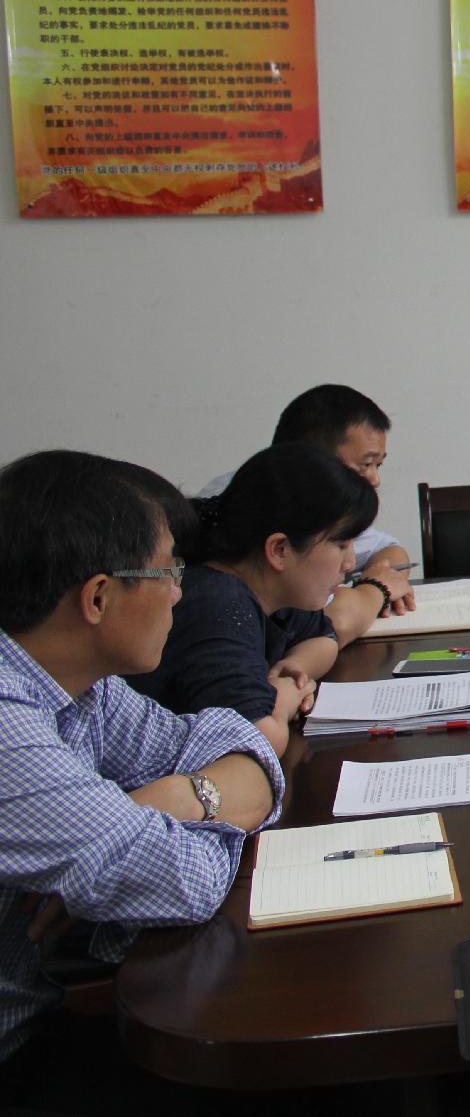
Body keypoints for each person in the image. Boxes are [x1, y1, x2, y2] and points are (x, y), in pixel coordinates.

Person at [0, 450, 281, 1069]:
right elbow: (184, 881)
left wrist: (180, 797)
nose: (181, 592)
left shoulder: (84, 689)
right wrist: (191, 809)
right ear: (99, 597)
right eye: (169, 572)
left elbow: (245, 747)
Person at [129, 443, 377, 755]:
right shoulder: (218, 603)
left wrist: (294, 667)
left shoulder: (274, 589)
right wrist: (285, 697)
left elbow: (324, 637)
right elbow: (256, 739)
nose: (350, 563)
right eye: (341, 545)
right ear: (279, 550)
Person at [201, 384, 413, 641]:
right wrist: (377, 589)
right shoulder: (263, 501)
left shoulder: (317, 505)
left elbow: (390, 550)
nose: (375, 480)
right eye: (365, 464)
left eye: (378, 465)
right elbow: (334, 625)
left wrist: (380, 576)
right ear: (313, 458)